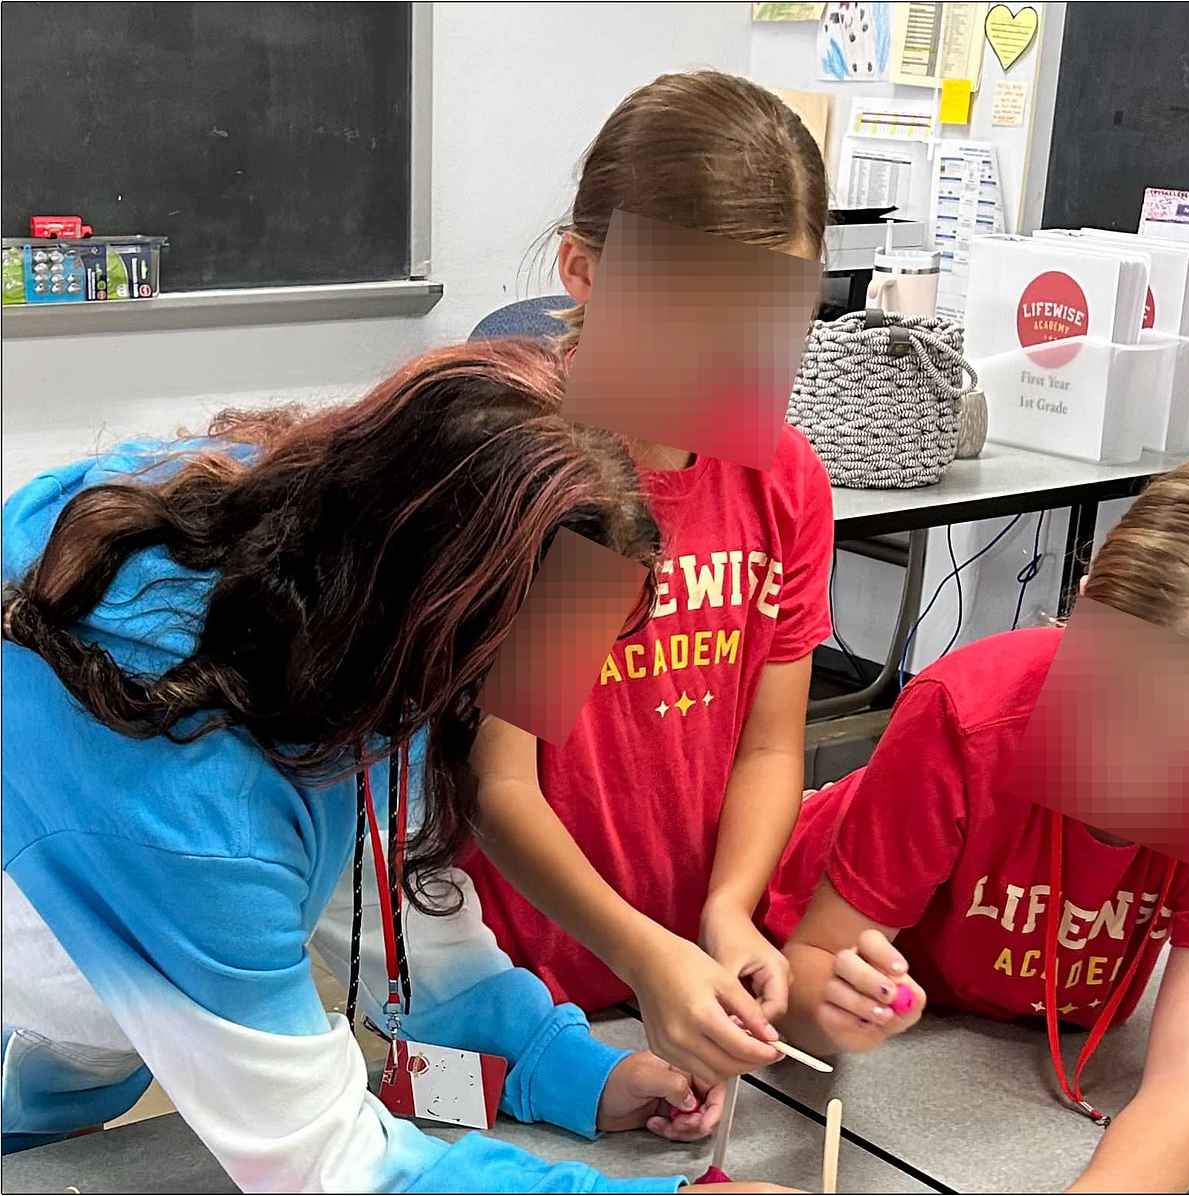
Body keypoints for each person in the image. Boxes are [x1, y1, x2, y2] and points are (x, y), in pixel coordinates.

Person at [1, 341, 780, 1193]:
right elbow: (326, 1166)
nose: (512, 724)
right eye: (499, 690)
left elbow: (397, 901)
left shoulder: (350, 577)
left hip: (80, 1039)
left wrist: (570, 1070)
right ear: (448, 636)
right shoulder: (186, 800)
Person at [765, 456, 1189, 1194]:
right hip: (822, 950)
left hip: (1020, 1027)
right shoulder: (964, 715)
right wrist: (827, 1013)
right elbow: (812, 969)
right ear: (1078, 615)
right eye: (1113, 701)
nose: (1130, 771)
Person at [460, 71, 836, 1086]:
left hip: (675, 971)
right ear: (585, 271)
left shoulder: (779, 480)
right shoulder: (569, 483)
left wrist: (726, 908)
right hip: (530, 986)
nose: (730, 363)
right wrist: (640, 949)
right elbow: (501, 783)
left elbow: (769, 744)